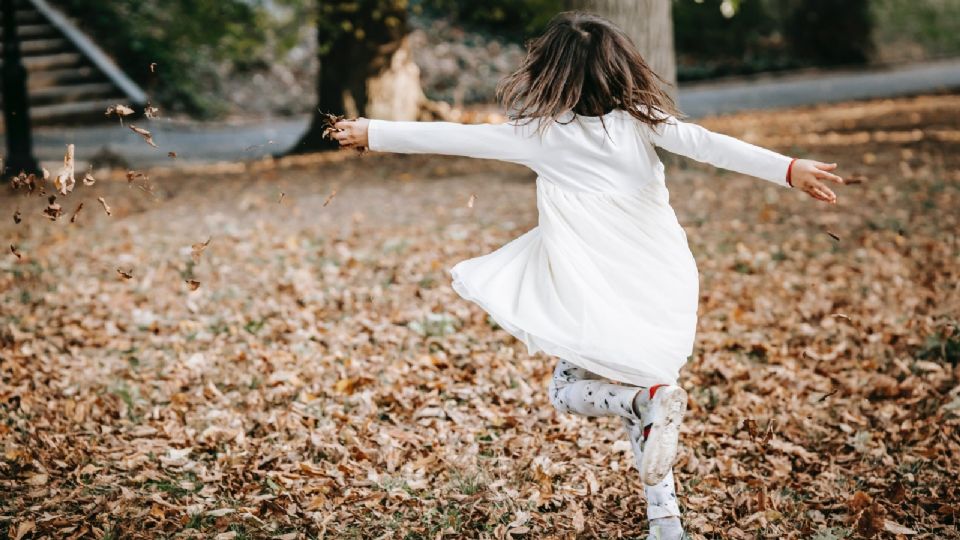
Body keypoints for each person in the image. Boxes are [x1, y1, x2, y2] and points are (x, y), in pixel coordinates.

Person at [331, 11, 843, 540]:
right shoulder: (645, 121)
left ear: (550, 72)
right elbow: (710, 144)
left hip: (592, 283)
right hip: (660, 275)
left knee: (571, 388)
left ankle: (641, 410)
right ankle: (665, 521)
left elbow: (460, 137)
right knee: (649, 387)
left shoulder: (541, 136)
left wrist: (374, 131)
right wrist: (788, 169)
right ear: (620, 68)